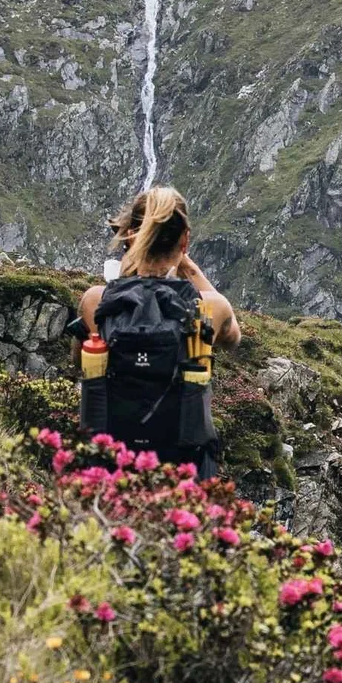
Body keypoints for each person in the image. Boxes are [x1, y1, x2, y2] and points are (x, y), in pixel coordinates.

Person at [76, 187, 240, 477]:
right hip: (185, 478)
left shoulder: (95, 302)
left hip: (112, 472)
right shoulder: (212, 308)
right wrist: (186, 265)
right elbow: (234, 337)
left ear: (129, 236)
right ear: (185, 240)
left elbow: (79, 362)